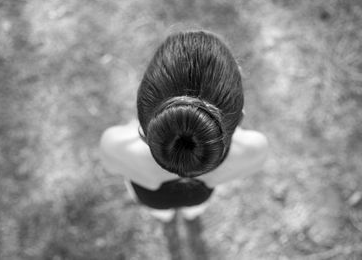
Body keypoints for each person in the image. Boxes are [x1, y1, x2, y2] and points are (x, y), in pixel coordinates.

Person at [99, 31, 268, 222]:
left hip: (152, 198)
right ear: (240, 117)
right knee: (194, 211)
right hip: (199, 197)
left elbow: (112, 167)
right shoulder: (253, 149)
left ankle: (164, 217)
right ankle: (191, 215)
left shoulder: (116, 144)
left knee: (160, 214)